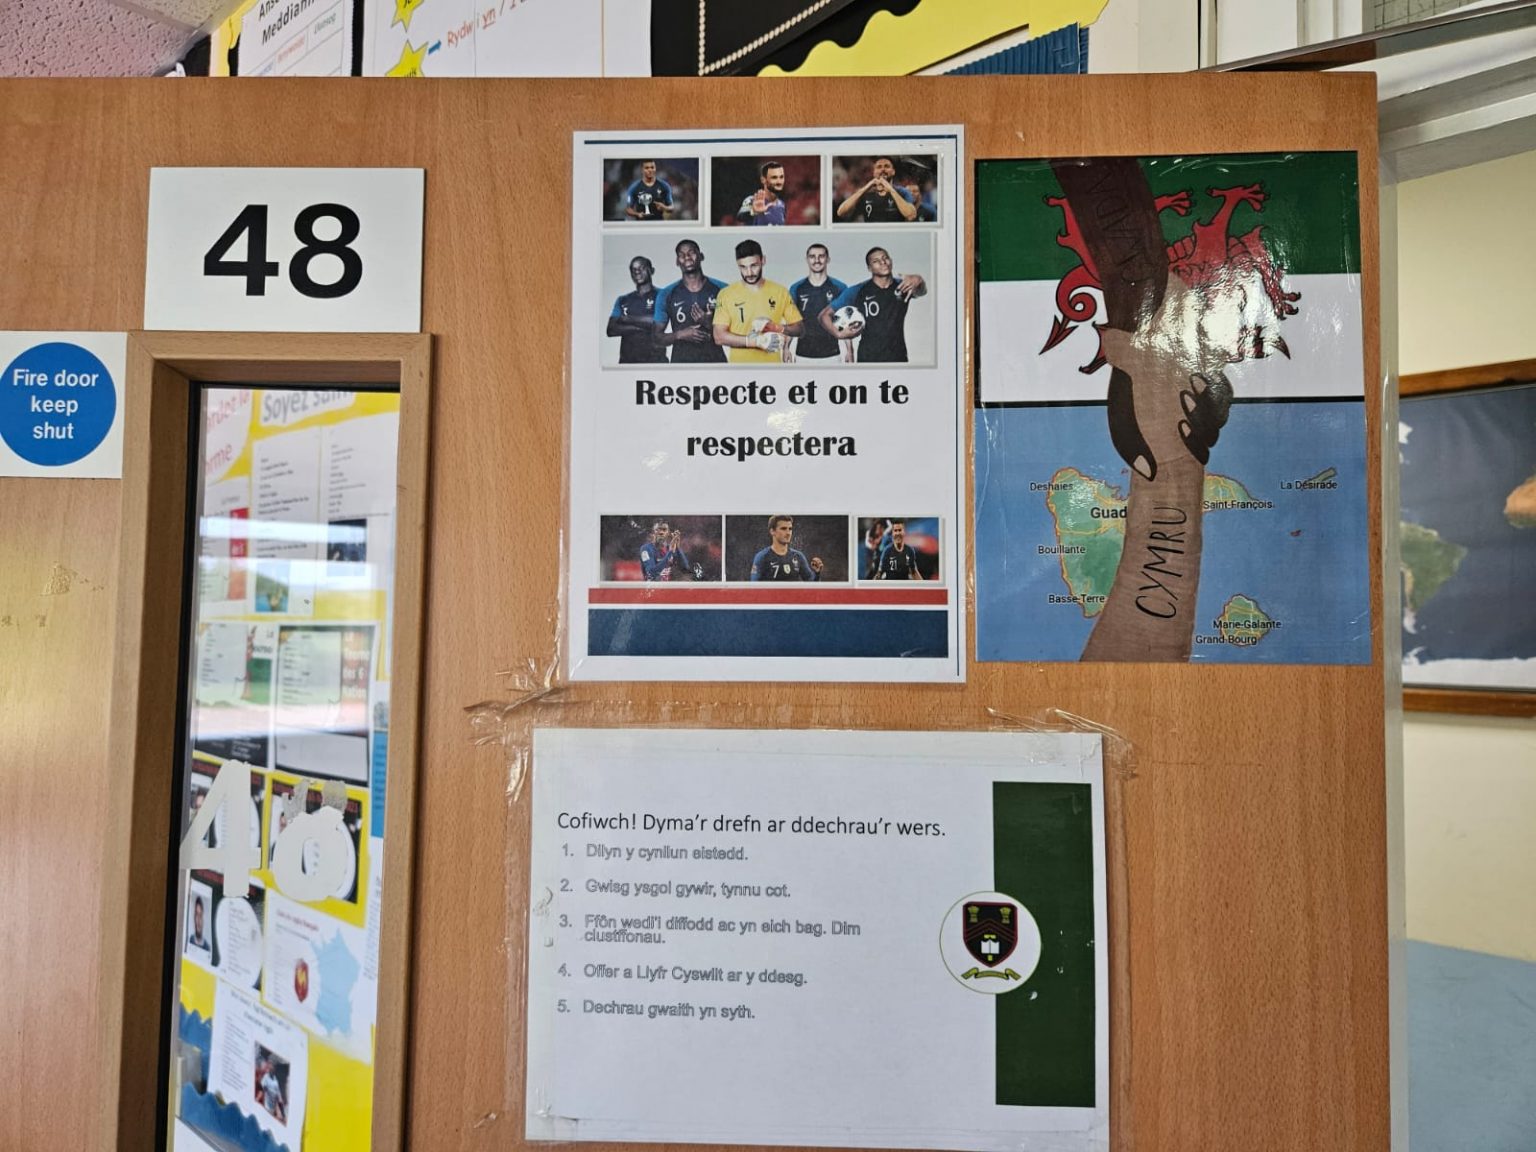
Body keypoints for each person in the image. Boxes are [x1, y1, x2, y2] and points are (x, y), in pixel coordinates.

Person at [820, 247, 926, 364]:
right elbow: (824, 315)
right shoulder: (858, 290)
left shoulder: (903, 286)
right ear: (869, 268)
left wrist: (919, 280)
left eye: (885, 258)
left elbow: (921, 291)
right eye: (876, 261)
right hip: (868, 358)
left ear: (891, 261)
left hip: (898, 357)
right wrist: (838, 333)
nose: (883, 262)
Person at [712, 240, 803, 365]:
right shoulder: (726, 294)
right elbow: (719, 336)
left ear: (763, 260)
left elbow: (799, 329)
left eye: (754, 266)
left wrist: (776, 327)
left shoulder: (780, 292)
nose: (749, 273)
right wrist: (757, 342)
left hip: (772, 369)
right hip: (738, 370)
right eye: (743, 267)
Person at [653, 240, 727, 364]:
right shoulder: (666, 294)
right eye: (681, 255)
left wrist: (709, 323)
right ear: (677, 261)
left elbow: (736, 333)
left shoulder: (723, 290)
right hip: (681, 365)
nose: (687, 257)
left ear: (701, 256)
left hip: (715, 363)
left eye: (691, 253)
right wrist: (680, 335)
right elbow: (656, 338)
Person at [787, 244, 848, 363]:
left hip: (832, 356)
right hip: (803, 355)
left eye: (821, 256)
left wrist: (849, 350)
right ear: (807, 260)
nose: (817, 260)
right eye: (812, 256)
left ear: (828, 259)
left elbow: (845, 322)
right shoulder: (796, 288)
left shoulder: (839, 288)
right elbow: (792, 322)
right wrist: (786, 348)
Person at [607, 256, 665, 364]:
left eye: (642, 268)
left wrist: (626, 319)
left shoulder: (662, 295)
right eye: (633, 269)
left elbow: (658, 323)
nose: (637, 271)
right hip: (627, 363)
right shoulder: (623, 300)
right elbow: (611, 329)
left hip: (655, 362)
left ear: (652, 270)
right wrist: (639, 327)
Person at [835, 156, 917, 223]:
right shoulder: (866, 194)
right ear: (874, 172)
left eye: (887, 166)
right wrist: (867, 186)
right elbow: (841, 212)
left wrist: (889, 188)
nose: (883, 169)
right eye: (879, 167)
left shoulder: (903, 192)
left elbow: (911, 216)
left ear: (893, 172)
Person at [750, 516, 822, 581]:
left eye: (790, 529)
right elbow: (755, 587)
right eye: (783, 529)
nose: (788, 533)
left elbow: (811, 584)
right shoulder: (762, 557)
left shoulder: (798, 556)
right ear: (772, 531)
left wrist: (817, 573)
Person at [737, 161, 788, 226]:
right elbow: (740, 217)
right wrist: (753, 211)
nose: (779, 181)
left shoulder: (782, 205)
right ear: (763, 180)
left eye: (781, 177)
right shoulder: (751, 199)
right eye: (774, 177)